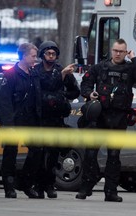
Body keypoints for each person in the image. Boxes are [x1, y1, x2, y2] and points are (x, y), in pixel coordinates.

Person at [76, 38, 136, 202]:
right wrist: (90, 94)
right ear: (111, 51)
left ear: (126, 52)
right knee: (90, 154)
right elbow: (85, 84)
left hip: (119, 118)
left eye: (121, 51)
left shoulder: (131, 68)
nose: (118, 54)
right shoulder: (100, 67)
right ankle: (85, 188)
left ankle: (110, 191)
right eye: (115, 50)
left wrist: (135, 59)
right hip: (100, 117)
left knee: (114, 157)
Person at [33, 41, 80, 198]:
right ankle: (38, 186)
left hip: (55, 119)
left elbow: (75, 91)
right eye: (48, 53)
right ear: (42, 55)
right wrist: (61, 77)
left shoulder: (62, 71)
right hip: (40, 119)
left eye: (53, 54)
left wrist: (62, 97)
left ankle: (49, 185)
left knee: (53, 154)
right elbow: (46, 85)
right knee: (39, 154)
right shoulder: (37, 71)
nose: (51, 56)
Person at [0, 43, 42, 199]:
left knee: (37, 151)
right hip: (15, 121)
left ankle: (25, 183)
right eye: (32, 56)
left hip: (31, 121)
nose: (35, 59)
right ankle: (9, 187)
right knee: (10, 154)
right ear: (23, 56)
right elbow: (5, 102)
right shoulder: (11, 75)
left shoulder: (34, 74)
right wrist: (8, 125)